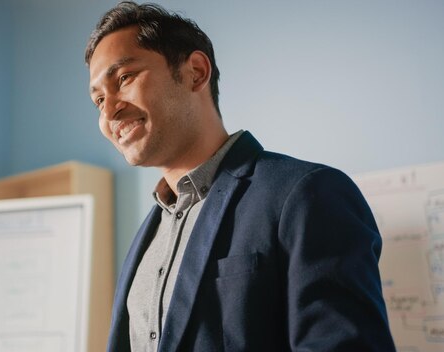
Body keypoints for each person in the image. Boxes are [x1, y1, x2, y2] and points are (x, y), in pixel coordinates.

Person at [85, 2, 396, 351]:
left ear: (196, 72)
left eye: (124, 78)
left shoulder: (308, 194)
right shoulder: (148, 236)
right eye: (98, 100)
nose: (109, 110)